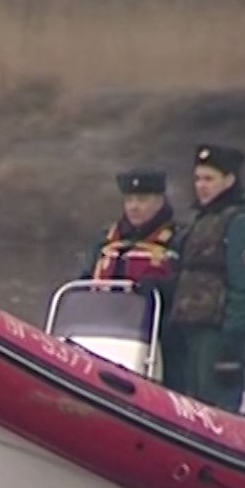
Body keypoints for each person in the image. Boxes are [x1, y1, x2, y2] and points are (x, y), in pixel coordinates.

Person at [167, 144, 245, 413]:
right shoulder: (200, 222)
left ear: (229, 181)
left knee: (214, 406)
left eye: (209, 179)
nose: (201, 186)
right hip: (189, 331)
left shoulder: (242, 225)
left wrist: (231, 346)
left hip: (217, 335)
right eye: (198, 179)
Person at [77, 167, 185, 390]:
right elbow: (85, 279)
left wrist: (159, 288)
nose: (134, 206)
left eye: (142, 200)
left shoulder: (180, 240)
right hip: (104, 328)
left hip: (159, 335)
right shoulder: (105, 240)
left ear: (159, 201)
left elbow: (186, 288)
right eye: (129, 200)